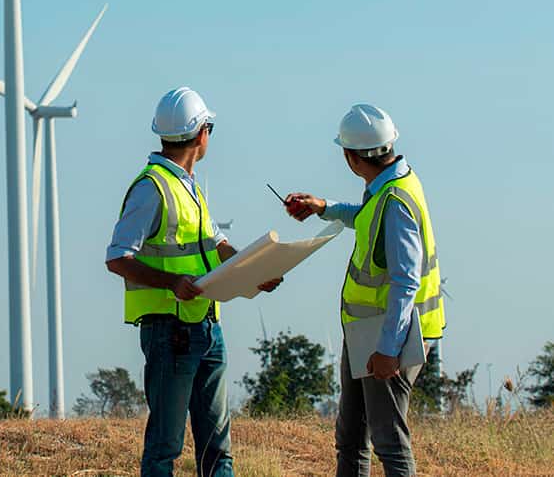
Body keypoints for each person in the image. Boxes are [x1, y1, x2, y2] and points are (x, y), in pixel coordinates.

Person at [106, 87, 281, 477]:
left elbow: (216, 245)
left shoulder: (189, 187)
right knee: (164, 448)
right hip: (170, 331)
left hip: (205, 326)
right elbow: (117, 257)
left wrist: (256, 271)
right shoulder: (151, 188)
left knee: (218, 450)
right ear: (202, 134)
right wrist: (172, 283)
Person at [284, 103, 445, 477]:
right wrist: (324, 208)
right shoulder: (391, 185)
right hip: (367, 332)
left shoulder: (395, 200)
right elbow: (366, 217)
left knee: (389, 441)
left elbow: (406, 279)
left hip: (388, 335)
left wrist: (388, 350)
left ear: (351, 158)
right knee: (352, 435)